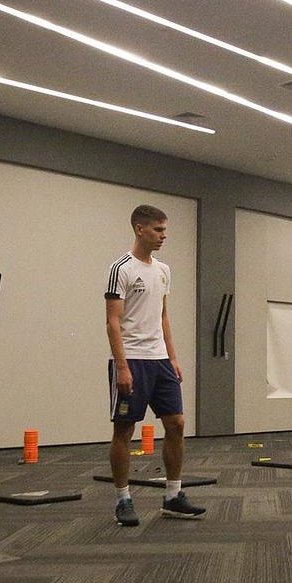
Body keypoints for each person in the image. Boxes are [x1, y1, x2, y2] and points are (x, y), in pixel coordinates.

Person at [105, 204, 205, 526]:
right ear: (140, 229)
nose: (164, 236)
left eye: (165, 230)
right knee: (125, 430)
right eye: (158, 230)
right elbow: (112, 322)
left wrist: (173, 357)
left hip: (160, 361)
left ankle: (173, 497)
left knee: (176, 424)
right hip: (131, 359)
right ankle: (123, 500)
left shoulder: (163, 271)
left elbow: (163, 316)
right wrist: (122, 367)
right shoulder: (121, 268)